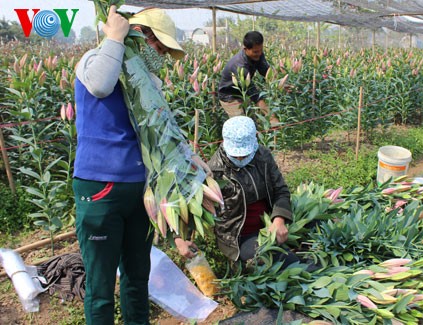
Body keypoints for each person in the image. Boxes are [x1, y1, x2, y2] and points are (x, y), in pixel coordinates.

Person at [73, 6, 209, 324]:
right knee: (101, 286)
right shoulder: (95, 60)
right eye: (158, 47)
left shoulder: (145, 81)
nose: (159, 56)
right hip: (101, 188)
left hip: (141, 192)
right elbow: (101, 86)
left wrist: (188, 159)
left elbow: (160, 131)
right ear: (140, 35)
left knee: (137, 277)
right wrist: (115, 38)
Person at [176, 116, 297, 268]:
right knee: (278, 258)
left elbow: (281, 190)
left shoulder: (263, 157)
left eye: (244, 154)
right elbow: (192, 209)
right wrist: (181, 238)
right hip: (239, 237)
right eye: (235, 154)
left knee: (311, 234)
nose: (240, 157)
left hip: (270, 224)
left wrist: (279, 219)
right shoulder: (213, 172)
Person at [218, 31, 279, 125]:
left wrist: (279, 84)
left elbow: (265, 71)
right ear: (245, 49)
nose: (259, 53)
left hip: (243, 93)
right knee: (242, 126)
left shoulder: (258, 55)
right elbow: (254, 93)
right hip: (229, 96)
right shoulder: (239, 65)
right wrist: (271, 117)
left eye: (261, 50)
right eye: (255, 52)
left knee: (252, 124)